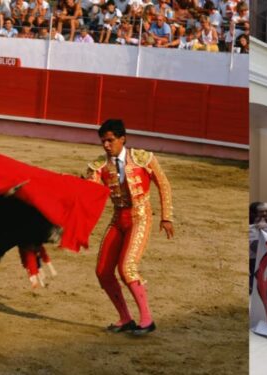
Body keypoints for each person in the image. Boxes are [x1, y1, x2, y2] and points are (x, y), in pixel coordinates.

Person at [85, 119, 174, 336]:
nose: (106, 145)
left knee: (127, 268)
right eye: (103, 141)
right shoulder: (98, 166)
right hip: (118, 218)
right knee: (103, 271)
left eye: (110, 140)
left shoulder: (143, 158)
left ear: (122, 138)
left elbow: (163, 184)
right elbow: (89, 191)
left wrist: (167, 217)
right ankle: (125, 318)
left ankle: (147, 320)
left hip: (141, 217)